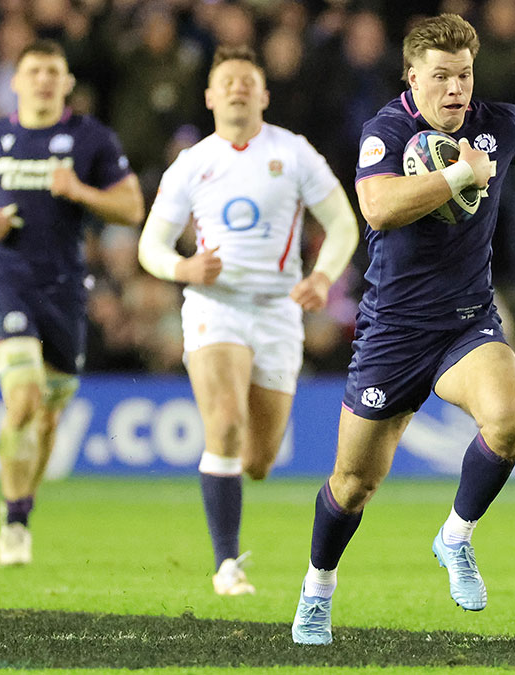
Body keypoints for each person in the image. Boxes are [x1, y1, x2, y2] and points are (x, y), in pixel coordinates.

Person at [290, 14, 515, 644]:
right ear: (412, 77)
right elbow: (379, 207)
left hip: (466, 322)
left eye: (464, 75)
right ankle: (317, 589)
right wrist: (459, 176)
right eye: (440, 76)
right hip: (392, 334)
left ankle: (455, 537)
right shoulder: (387, 130)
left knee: (511, 418)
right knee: (353, 485)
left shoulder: (499, 124)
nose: (454, 89)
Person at [139, 46, 358, 596]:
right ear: (211, 97)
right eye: (227, 81)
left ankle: (231, 530)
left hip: (281, 312)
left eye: (248, 81)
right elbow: (150, 245)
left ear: (264, 94)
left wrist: (323, 278)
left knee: (258, 460)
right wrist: (182, 266)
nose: (238, 88)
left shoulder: (294, 152)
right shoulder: (192, 162)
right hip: (217, 306)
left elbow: (343, 225)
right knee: (226, 420)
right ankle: (226, 565)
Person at [0, 40, 145, 566]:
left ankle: (20, 511)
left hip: (65, 288)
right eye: (34, 71)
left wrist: (81, 192)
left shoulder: (91, 138)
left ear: (66, 84)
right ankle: (11, 515)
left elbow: (131, 206)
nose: (43, 80)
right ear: (15, 82)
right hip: (7, 280)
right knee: (23, 399)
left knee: (47, 418)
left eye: (54, 72)